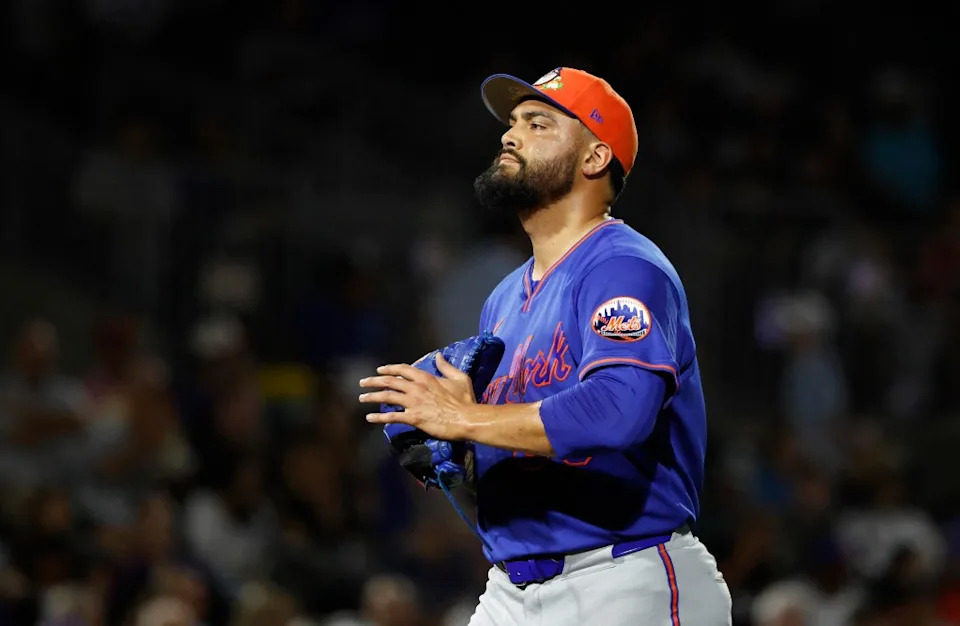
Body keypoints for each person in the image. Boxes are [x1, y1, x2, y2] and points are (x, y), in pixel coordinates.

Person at [359, 67, 732, 625]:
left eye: (538, 124)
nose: (511, 136)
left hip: (624, 579)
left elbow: (618, 412)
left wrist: (467, 418)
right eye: (511, 124)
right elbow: (516, 442)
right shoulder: (505, 298)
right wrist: (459, 456)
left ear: (594, 158)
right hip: (511, 587)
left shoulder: (622, 267)